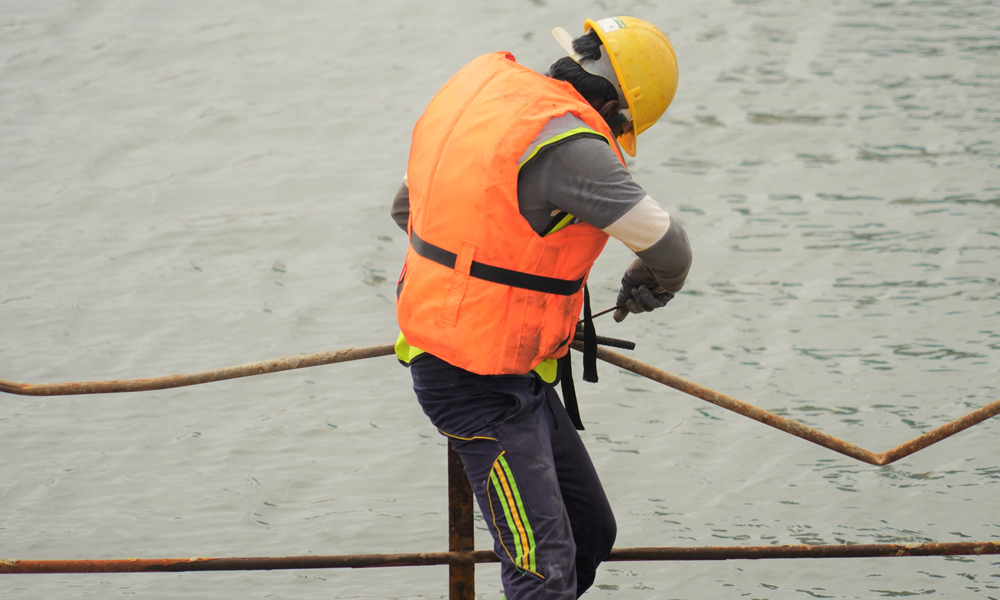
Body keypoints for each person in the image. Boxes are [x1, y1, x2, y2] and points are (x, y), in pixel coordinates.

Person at [390, 16, 692, 599]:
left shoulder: (483, 95)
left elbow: (408, 209)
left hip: (493, 363)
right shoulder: (571, 144)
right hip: (471, 383)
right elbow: (670, 248)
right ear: (620, 111)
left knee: (587, 534)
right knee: (540, 567)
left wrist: (493, 284)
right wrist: (655, 281)